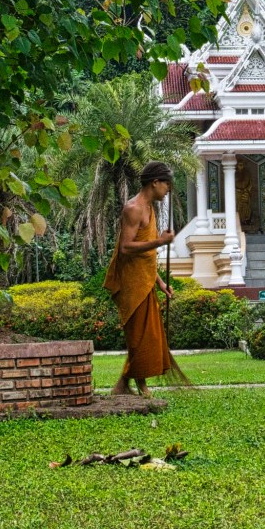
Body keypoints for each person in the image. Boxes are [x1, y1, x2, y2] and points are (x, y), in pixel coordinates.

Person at [103, 161, 177, 397]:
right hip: (131, 283)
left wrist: (160, 283)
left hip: (146, 280)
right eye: (166, 183)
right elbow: (126, 247)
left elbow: (145, 255)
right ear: (154, 182)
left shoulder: (150, 208)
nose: (168, 189)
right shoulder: (133, 208)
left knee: (147, 336)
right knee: (138, 337)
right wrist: (160, 242)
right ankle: (141, 386)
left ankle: (123, 385)